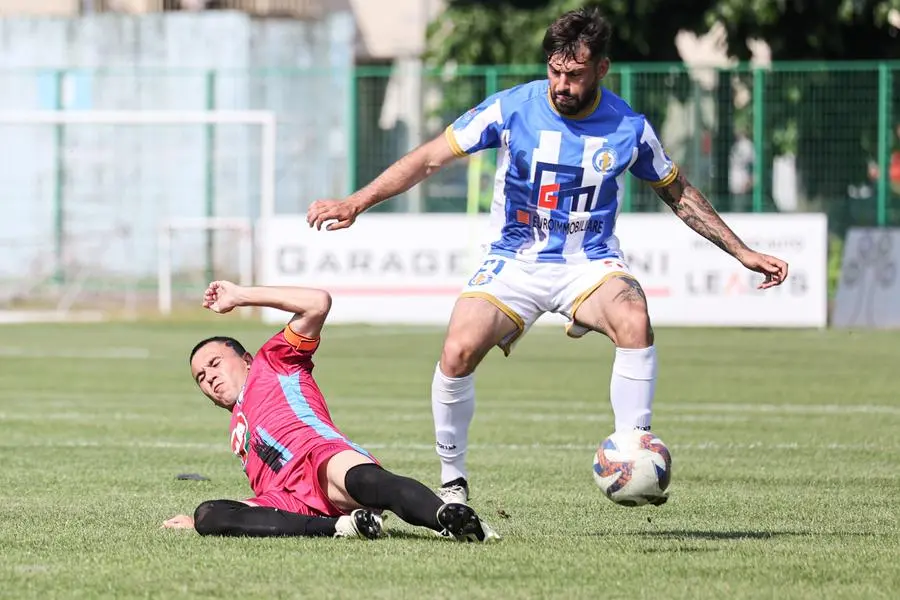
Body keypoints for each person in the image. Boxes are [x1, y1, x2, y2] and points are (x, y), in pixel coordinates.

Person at [306, 8, 789, 505]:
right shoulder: (512, 109)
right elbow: (429, 158)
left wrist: (742, 252)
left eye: (574, 74)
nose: (561, 84)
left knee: (634, 317)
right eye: (554, 71)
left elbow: (679, 192)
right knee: (457, 351)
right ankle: (453, 482)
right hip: (514, 260)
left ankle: (634, 450)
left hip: (588, 264)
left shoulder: (629, 127)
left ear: (601, 69)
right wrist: (356, 202)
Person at [162, 280, 500, 542]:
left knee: (366, 480)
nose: (210, 379)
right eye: (201, 378)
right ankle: (342, 527)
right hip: (286, 498)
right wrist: (200, 522)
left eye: (215, 364)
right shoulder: (238, 428)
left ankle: (450, 518)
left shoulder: (273, 362)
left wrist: (241, 296)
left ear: (246, 359)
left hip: (320, 459)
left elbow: (317, 303)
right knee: (208, 514)